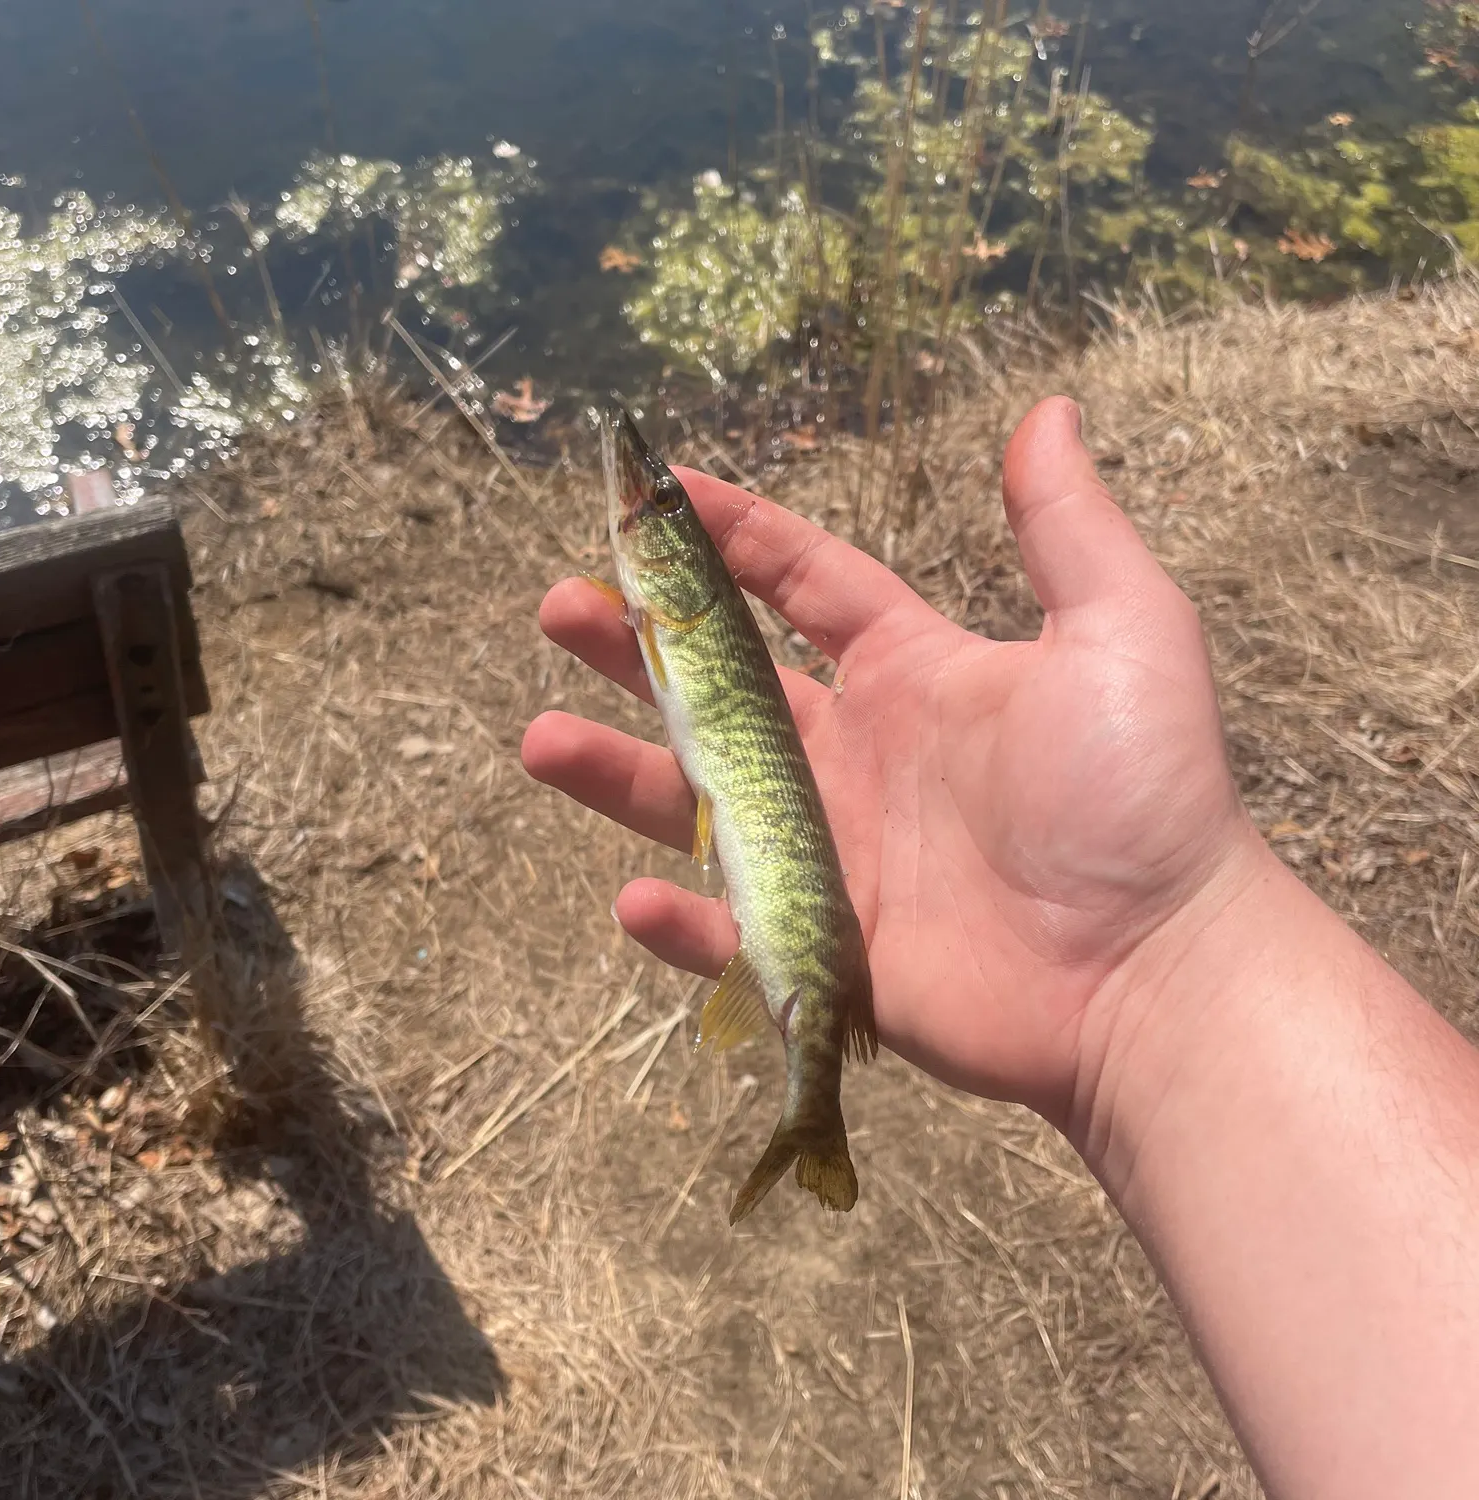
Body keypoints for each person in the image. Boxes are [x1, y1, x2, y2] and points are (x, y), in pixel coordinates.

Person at [521, 396, 1479, 1500]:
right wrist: (1180, 962)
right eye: (656, 507)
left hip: (777, 829)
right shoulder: (667, 607)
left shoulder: (673, 593)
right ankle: (808, 1101)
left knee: (760, 934)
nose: (645, 501)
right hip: (759, 795)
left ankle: (807, 1110)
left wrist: (1168, 932)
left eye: (664, 506)